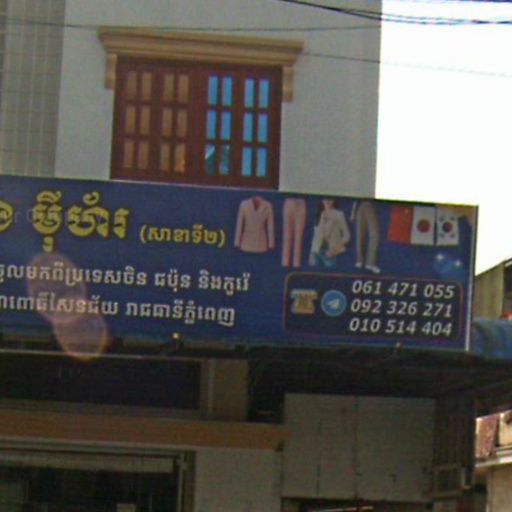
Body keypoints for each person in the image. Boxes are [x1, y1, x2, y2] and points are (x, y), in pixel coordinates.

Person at [308, 198, 350, 268]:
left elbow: (347, 236)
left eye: (330, 199)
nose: (327, 201)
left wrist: (335, 250)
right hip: (315, 251)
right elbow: (316, 235)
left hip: (330, 252)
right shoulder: (319, 213)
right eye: (325, 198)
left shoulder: (339, 214)